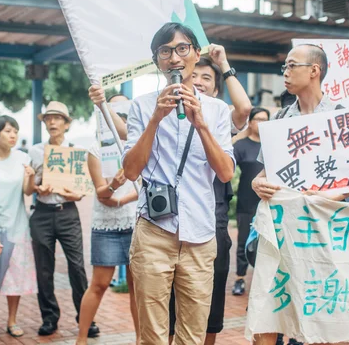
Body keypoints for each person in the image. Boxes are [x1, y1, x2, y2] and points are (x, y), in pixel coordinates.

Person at [123, 22, 235, 344]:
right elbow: (131, 170)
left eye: (182, 48)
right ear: (157, 60)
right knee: (153, 334)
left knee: (193, 334)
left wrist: (201, 123)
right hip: (154, 233)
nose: (175, 57)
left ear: (196, 54)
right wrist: (155, 119)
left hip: (200, 235)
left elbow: (226, 172)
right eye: (165, 51)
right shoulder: (142, 106)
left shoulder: (215, 110)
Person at [251, 44, 343, 345]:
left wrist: (329, 196)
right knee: (271, 309)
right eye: (285, 67)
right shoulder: (279, 120)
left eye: (292, 66)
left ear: (314, 71)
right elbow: (264, 174)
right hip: (283, 233)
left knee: (317, 317)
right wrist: (257, 183)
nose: (285, 73)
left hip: (324, 234)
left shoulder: (341, 119)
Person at [168, 50, 252, 345]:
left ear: (216, 91)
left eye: (207, 78)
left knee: (210, 306)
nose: (200, 82)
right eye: (194, 76)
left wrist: (224, 64)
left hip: (213, 220)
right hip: (173, 223)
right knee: (170, 308)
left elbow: (243, 109)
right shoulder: (167, 117)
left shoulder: (217, 115)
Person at [28, 101, 99, 337]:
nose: (52, 122)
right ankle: (49, 318)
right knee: (43, 269)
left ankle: (86, 318)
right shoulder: (35, 151)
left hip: (67, 212)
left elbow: (83, 188)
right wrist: (37, 188)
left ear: (67, 124)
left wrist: (76, 194)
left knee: (77, 267)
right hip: (42, 213)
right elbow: (29, 187)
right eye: (48, 118)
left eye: (58, 118)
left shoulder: (77, 152)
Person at [76, 95, 139, 344]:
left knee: (137, 288)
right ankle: (81, 338)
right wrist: (114, 184)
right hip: (106, 225)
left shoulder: (139, 144)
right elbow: (101, 194)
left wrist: (122, 199)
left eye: (124, 110)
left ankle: (139, 339)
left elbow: (146, 188)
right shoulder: (95, 149)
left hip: (136, 223)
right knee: (99, 284)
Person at [0, 116, 37, 339]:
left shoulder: (23, 158)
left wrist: (31, 178)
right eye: (8, 131)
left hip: (17, 224)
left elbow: (28, 191)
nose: (13, 135)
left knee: (16, 275)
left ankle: (12, 320)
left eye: (15, 131)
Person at [232, 107, 269, 296]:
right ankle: (239, 279)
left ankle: (263, 282)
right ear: (251, 122)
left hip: (269, 201)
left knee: (267, 242)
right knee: (244, 240)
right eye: (258, 119)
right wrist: (241, 134)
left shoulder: (272, 144)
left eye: (265, 120)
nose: (261, 123)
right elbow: (226, 159)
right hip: (246, 202)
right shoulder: (241, 145)